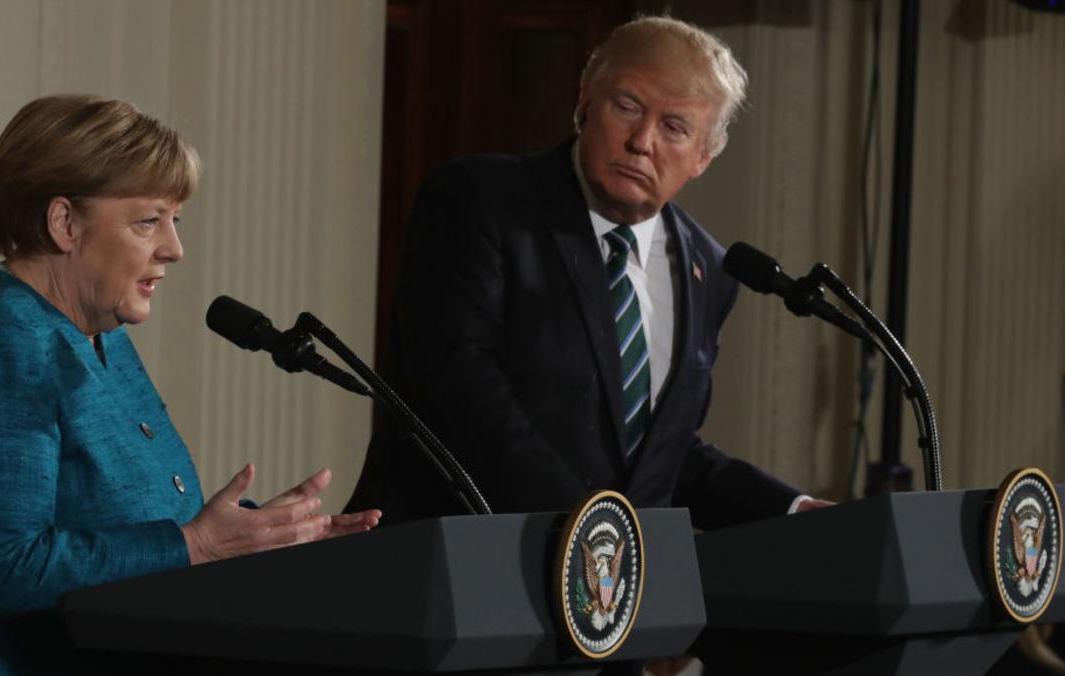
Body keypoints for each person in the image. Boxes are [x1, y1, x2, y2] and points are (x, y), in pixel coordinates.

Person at [0, 94, 381, 674]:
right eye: (148, 220)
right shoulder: (1, 345)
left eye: (174, 221)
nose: (174, 249)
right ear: (65, 223)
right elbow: (5, 567)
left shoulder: (97, 333)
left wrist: (264, 537)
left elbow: (136, 525)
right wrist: (199, 545)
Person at [347, 17, 831, 526]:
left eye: (674, 127)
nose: (642, 141)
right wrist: (597, 530)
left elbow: (659, 455)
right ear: (584, 102)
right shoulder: (479, 204)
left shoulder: (709, 269)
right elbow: (459, 398)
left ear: (703, 157)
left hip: (610, 590)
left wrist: (791, 508)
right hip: (454, 564)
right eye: (627, 107)